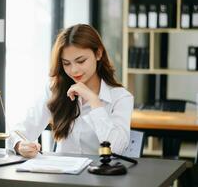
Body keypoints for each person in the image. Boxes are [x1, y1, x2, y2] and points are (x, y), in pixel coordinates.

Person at [7, 24, 134, 158]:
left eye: (81, 61)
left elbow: (117, 149)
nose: (73, 70)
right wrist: (20, 145)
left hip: (101, 176)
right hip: (61, 175)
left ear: (98, 54)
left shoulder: (121, 97)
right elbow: (18, 132)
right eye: (66, 63)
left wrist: (94, 101)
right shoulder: (55, 90)